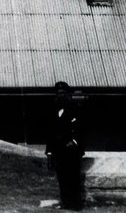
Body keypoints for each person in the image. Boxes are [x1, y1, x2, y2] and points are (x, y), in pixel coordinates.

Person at [45, 81, 85, 210]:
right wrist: (49, 151)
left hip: (72, 150)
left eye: (63, 93)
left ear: (67, 94)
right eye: (58, 93)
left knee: (73, 176)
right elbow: (50, 132)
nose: (60, 96)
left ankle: (76, 204)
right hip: (58, 150)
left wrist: (74, 142)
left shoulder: (76, 109)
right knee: (62, 177)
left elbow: (82, 129)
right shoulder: (53, 111)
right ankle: (66, 202)